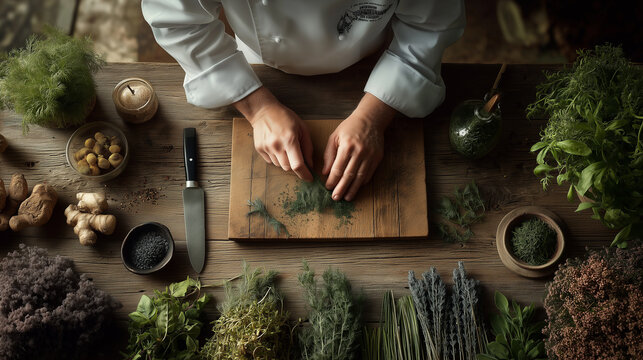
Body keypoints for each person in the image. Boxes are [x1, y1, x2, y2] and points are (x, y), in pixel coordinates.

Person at [142, 0, 465, 201]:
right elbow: (178, 21)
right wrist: (258, 108)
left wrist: (372, 117)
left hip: (370, 58)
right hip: (260, 63)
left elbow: (432, 25)